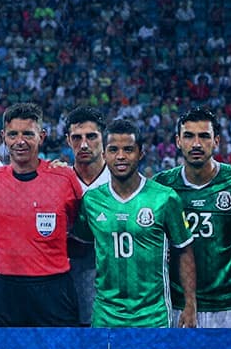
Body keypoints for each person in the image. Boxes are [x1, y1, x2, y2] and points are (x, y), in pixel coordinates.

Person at [73, 119, 197, 328]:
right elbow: (79, 244)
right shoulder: (92, 201)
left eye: (128, 150)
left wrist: (190, 304)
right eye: (113, 150)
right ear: (104, 154)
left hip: (153, 316)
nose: (120, 156)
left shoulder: (164, 198)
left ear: (141, 154)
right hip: (106, 315)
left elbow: (184, 251)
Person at [154, 108, 231, 328]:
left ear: (216, 141)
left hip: (227, 304)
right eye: (189, 136)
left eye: (204, 136)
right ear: (178, 141)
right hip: (178, 304)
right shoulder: (162, 184)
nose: (196, 144)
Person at [0, 103, 82, 327]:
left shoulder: (64, 178)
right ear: (3, 137)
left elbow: (74, 221)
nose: (20, 141)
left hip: (53, 289)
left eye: (28, 134)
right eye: (13, 134)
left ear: (41, 136)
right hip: (7, 290)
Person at [64, 105, 111, 326]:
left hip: (114, 291)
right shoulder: (57, 181)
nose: (83, 144)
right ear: (68, 140)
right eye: (77, 138)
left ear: (104, 139)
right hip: (68, 287)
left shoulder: (122, 183)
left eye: (91, 137)